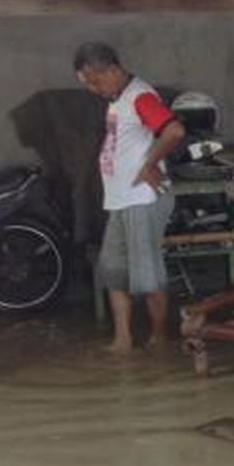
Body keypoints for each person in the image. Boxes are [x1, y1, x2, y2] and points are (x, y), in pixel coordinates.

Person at [74, 42, 186, 353]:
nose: (94, 89)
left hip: (142, 200)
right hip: (121, 201)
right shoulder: (117, 99)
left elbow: (174, 131)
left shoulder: (140, 96)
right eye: (88, 84)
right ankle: (122, 340)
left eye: (96, 81)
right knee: (112, 271)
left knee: (148, 276)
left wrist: (150, 164)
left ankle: (159, 339)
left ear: (112, 69)